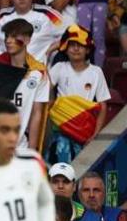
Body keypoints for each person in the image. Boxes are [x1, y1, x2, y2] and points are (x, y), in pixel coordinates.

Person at [0, 19, 49, 152]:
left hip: (20, 147)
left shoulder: (38, 72)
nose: (8, 41)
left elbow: (37, 113)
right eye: (6, 36)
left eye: (14, 36)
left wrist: (32, 151)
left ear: (27, 40)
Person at [47, 26, 110, 164]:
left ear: (88, 49)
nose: (76, 49)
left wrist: (95, 135)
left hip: (86, 130)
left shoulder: (96, 72)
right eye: (72, 45)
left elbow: (103, 106)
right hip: (61, 128)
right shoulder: (59, 67)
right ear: (65, 48)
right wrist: (49, 51)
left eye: (80, 45)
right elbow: (42, 88)